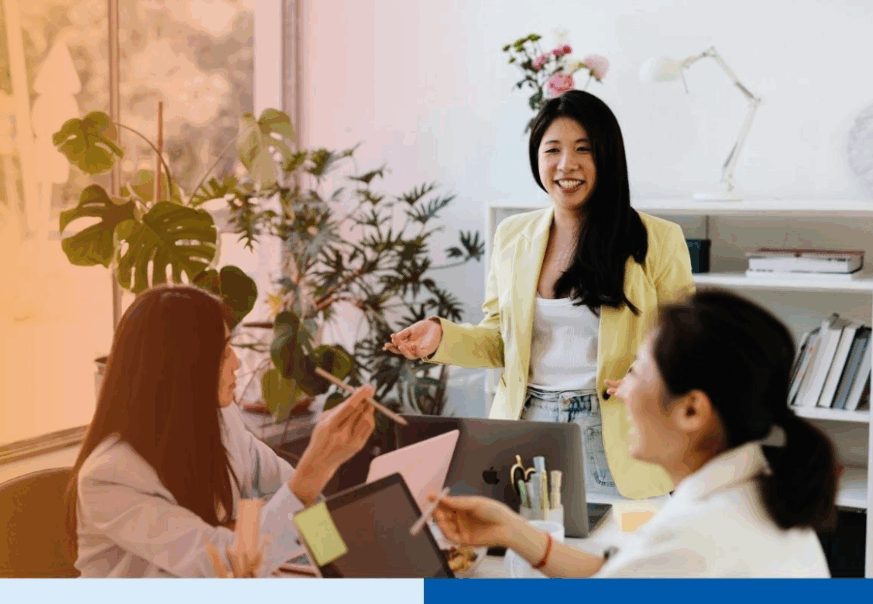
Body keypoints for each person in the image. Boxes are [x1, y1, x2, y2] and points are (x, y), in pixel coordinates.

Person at [385, 90, 694, 499]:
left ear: (608, 157)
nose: (566, 165)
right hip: (524, 430)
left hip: (615, 435)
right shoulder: (512, 235)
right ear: (537, 158)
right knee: (521, 556)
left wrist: (648, 375)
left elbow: (688, 342)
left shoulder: (658, 238)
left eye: (583, 149)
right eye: (553, 150)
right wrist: (441, 338)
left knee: (612, 558)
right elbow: (500, 342)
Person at [431, 290, 836, 577]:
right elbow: (616, 571)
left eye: (637, 371)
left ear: (692, 410)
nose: (620, 394)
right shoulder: (765, 495)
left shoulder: (690, 542)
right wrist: (510, 529)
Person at [64, 284, 376, 577]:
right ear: (184, 369)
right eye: (224, 352)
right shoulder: (110, 475)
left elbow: (297, 502)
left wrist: (338, 567)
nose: (237, 363)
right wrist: (315, 469)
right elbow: (228, 567)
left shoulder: (223, 422)